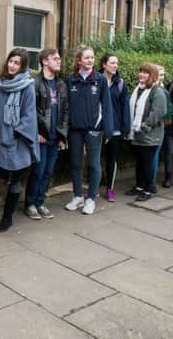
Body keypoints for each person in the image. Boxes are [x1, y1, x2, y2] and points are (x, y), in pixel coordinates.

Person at [0, 48, 38, 232]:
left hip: (15, 142)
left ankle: (7, 218)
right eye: (11, 61)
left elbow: (29, 116)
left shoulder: (27, 86)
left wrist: (15, 133)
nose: (12, 66)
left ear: (23, 67)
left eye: (17, 63)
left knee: (14, 180)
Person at [65, 46, 113, 214]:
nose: (90, 60)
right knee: (75, 163)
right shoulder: (70, 80)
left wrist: (108, 129)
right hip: (75, 129)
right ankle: (78, 196)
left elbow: (107, 106)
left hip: (94, 129)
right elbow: (66, 107)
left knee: (94, 164)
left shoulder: (100, 80)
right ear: (79, 60)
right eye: (86, 58)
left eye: (92, 57)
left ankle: (91, 198)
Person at [24, 48, 68, 219]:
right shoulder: (34, 83)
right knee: (38, 171)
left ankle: (41, 202)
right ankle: (30, 204)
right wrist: (37, 132)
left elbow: (65, 111)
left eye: (59, 58)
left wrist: (62, 136)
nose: (59, 61)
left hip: (55, 137)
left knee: (48, 171)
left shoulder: (61, 84)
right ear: (44, 62)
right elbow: (31, 111)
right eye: (55, 58)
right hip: (41, 136)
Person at [125, 63, 167, 201]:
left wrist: (144, 125)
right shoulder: (139, 89)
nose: (141, 74)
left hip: (150, 135)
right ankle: (139, 187)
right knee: (140, 162)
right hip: (137, 134)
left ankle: (148, 190)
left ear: (152, 75)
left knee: (147, 163)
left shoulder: (157, 91)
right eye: (140, 71)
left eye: (145, 72)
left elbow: (159, 112)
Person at [98, 53, 130, 202]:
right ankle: (95, 187)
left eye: (117, 63)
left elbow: (125, 107)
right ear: (104, 64)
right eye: (112, 62)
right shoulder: (96, 80)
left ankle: (110, 189)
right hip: (98, 127)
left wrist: (125, 129)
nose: (115, 65)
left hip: (115, 128)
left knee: (111, 159)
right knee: (96, 159)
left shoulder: (121, 84)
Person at [150, 65, 171, 192]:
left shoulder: (163, 92)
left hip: (157, 127)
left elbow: (167, 113)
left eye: (163, 75)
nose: (161, 77)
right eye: (159, 74)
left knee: (154, 155)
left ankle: (151, 183)